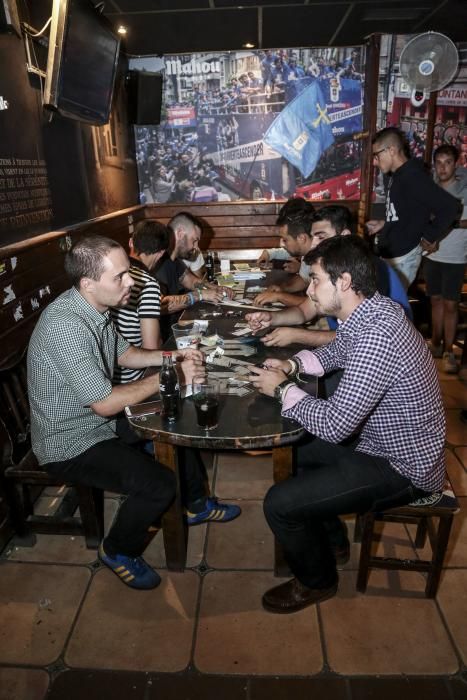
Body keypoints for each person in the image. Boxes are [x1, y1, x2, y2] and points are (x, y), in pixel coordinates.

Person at [247, 235, 445, 613]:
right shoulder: (373, 310)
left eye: (316, 279)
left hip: (404, 465)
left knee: (279, 503)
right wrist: (292, 366)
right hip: (379, 441)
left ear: (344, 282)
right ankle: (332, 543)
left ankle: (316, 582)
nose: (309, 289)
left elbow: (337, 426)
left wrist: (284, 390)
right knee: (291, 453)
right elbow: (336, 351)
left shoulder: (378, 336)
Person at [27, 235, 206, 591]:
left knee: (176, 425)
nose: (131, 282)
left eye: (129, 272)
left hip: (99, 423)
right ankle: (117, 549)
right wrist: (170, 376)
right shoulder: (66, 327)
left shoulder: (95, 309)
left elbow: (126, 355)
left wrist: (173, 358)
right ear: (88, 284)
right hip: (69, 442)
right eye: (120, 276)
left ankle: (197, 502)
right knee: (158, 483)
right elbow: (106, 402)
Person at [247, 205, 412, 348]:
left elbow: (359, 337)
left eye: (321, 236)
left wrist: (297, 335)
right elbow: (304, 311)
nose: (313, 244)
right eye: (313, 237)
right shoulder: (331, 267)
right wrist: (271, 319)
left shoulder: (369, 269)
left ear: (345, 235)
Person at [366, 127, 461, 290]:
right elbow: (410, 211)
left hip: (403, 257)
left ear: (391, 150)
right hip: (393, 254)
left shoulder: (412, 176)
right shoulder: (398, 175)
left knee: (392, 310)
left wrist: (429, 236)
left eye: (377, 155)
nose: (374, 161)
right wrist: (385, 223)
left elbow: (450, 207)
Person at [152, 212, 234, 337]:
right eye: (194, 240)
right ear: (180, 234)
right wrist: (200, 295)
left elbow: (192, 281)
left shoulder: (174, 260)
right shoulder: (158, 262)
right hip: (165, 338)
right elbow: (159, 306)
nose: (196, 247)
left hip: (177, 328)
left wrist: (216, 288)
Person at [424, 145, 467, 374]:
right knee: (435, 301)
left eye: (448, 162)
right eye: (439, 162)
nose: (443, 167)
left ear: (455, 164)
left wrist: (448, 225)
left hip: (456, 256)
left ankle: (450, 351)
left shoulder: (463, 190)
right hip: (432, 255)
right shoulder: (430, 190)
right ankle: (437, 343)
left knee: (451, 305)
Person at [111, 220, 168, 383]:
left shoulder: (111, 278)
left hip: (106, 376)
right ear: (161, 253)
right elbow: (151, 348)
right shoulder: (147, 284)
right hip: (132, 379)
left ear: (130, 242)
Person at [253, 198, 316, 307]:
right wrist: (282, 288)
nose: (281, 244)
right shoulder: (308, 252)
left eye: (285, 240)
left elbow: (316, 306)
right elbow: (304, 279)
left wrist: (280, 297)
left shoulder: (325, 258)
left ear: (301, 238)